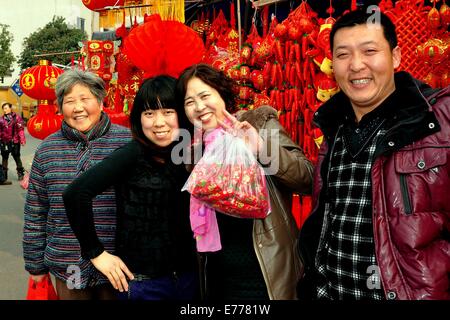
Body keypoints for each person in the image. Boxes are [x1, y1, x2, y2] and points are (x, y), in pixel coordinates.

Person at [297, 9, 450, 300]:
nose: (356, 65)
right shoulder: (333, 128)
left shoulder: (438, 121)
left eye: (369, 51)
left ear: (395, 57)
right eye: (343, 55)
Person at [176, 63, 314, 300]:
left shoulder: (260, 124)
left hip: (266, 269)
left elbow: (307, 178)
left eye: (205, 96)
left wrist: (261, 147)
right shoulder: (194, 151)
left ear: (222, 94)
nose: (199, 107)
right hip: (219, 277)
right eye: (189, 102)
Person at [63, 75, 199, 300]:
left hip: (189, 279)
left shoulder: (192, 153)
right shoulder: (133, 153)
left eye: (168, 112)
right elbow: (76, 194)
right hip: (143, 285)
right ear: (139, 118)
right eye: (149, 113)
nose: (158, 122)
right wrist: (96, 253)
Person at [23, 68, 131, 300]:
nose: (78, 108)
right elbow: (36, 213)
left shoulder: (126, 142)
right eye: (69, 101)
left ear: (101, 102)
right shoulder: (47, 150)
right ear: (60, 108)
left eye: (85, 99)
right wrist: (35, 267)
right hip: (68, 265)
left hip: (119, 265)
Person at [0, 102, 26, 184]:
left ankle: (20, 173)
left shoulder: (17, 118)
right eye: (3, 108)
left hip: (15, 141)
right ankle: (4, 176)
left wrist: (22, 139)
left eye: (6, 108)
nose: (5, 110)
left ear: (10, 108)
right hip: (5, 142)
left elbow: (20, 129)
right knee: (4, 158)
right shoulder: (1, 119)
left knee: (17, 157)